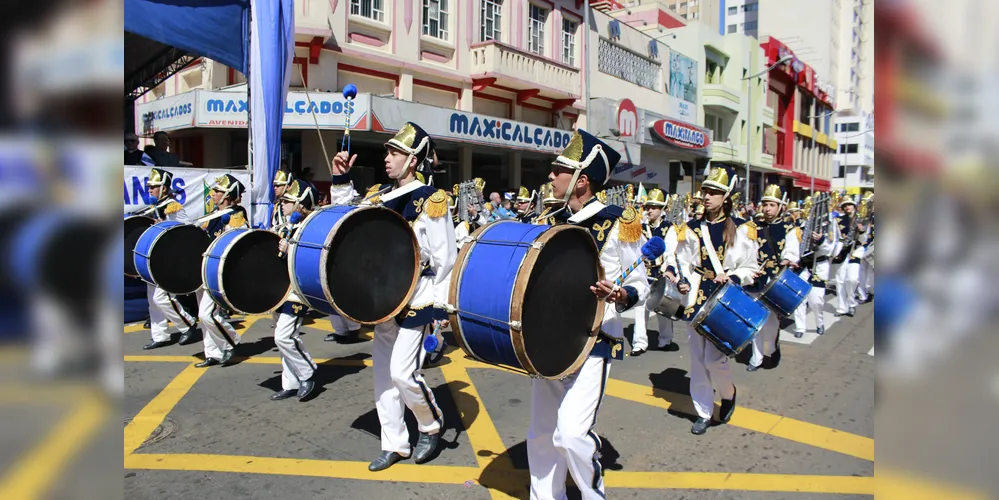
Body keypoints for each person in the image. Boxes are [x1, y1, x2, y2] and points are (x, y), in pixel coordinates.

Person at [328, 122, 456, 471]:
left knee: (402, 373)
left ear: (413, 160)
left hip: (417, 297)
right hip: (382, 298)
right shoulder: (378, 193)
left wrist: (442, 308)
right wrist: (341, 179)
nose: (387, 158)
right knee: (383, 376)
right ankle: (395, 444)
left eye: (395, 152)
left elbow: (445, 257)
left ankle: (430, 424)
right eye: (387, 151)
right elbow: (347, 221)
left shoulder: (430, 199)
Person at [528, 129, 648, 500]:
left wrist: (621, 291)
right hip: (546, 337)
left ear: (581, 181)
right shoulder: (550, 218)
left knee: (572, 434)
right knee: (542, 433)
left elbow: (641, 281)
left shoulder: (617, 220)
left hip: (592, 338)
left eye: (558, 170)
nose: (550, 176)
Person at [663, 165, 759, 435]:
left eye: (714, 192)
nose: (707, 196)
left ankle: (728, 394)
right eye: (705, 191)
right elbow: (679, 260)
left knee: (715, 360)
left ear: (725, 197)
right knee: (696, 360)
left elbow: (751, 267)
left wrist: (735, 278)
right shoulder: (691, 228)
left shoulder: (741, 229)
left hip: (725, 299)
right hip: (697, 297)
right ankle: (703, 412)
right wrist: (677, 275)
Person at [271, 179, 321, 400]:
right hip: (281, 289)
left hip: (298, 290)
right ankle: (290, 382)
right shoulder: (287, 224)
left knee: (283, 336)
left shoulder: (312, 227)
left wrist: (290, 248)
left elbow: (312, 259)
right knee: (283, 336)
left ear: (301, 204)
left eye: (288, 201)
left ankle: (307, 372)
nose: (283, 203)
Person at [141, 168, 199, 350]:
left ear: (164, 189)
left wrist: (165, 226)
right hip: (154, 257)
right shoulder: (154, 206)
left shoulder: (173, 206)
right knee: (153, 299)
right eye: (149, 187)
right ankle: (160, 335)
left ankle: (187, 323)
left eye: (154, 187)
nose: (150, 190)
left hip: (169, 259)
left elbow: (185, 231)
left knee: (162, 297)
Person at [194, 174, 247, 367]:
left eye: (217, 191)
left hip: (218, 273)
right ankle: (213, 353)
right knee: (204, 314)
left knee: (207, 314)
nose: (213, 194)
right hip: (205, 269)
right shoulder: (214, 215)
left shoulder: (236, 215)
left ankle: (232, 341)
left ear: (227, 195)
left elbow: (237, 243)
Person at [746, 185, 800, 371]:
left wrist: (788, 259)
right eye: (765, 204)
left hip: (775, 280)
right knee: (755, 320)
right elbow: (748, 251)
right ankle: (756, 358)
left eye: (771, 204)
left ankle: (774, 348)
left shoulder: (788, 228)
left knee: (771, 323)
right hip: (755, 279)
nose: (767, 208)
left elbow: (792, 251)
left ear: (780, 207)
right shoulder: (753, 227)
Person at [631, 189, 678, 356]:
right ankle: (639, 343)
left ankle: (665, 340)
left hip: (660, 273)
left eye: (654, 207)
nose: (649, 210)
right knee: (640, 307)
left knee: (663, 308)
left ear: (662, 209)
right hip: (643, 273)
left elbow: (670, 252)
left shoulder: (669, 228)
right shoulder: (639, 228)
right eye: (648, 206)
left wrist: (670, 270)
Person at [793, 199, 839, 337]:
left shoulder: (830, 225)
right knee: (799, 299)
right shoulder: (800, 226)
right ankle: (800, 328)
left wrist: (821, 241)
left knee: (816, 300)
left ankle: (819, 322)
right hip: (802, 266)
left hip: (819, 265)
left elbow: (832, 250)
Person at [832, 195, 868, 317]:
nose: (847, 207)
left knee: (852, 279)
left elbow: (864, 239)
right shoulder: (838, 221)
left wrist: (861, 231)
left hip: (855, 251)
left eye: (849, 204)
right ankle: (842, 308)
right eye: (845, 205)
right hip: (841, 252)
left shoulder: (861, 219)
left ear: (854, 206)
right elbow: (835, 237)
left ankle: (851, 303)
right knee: (840, 281)